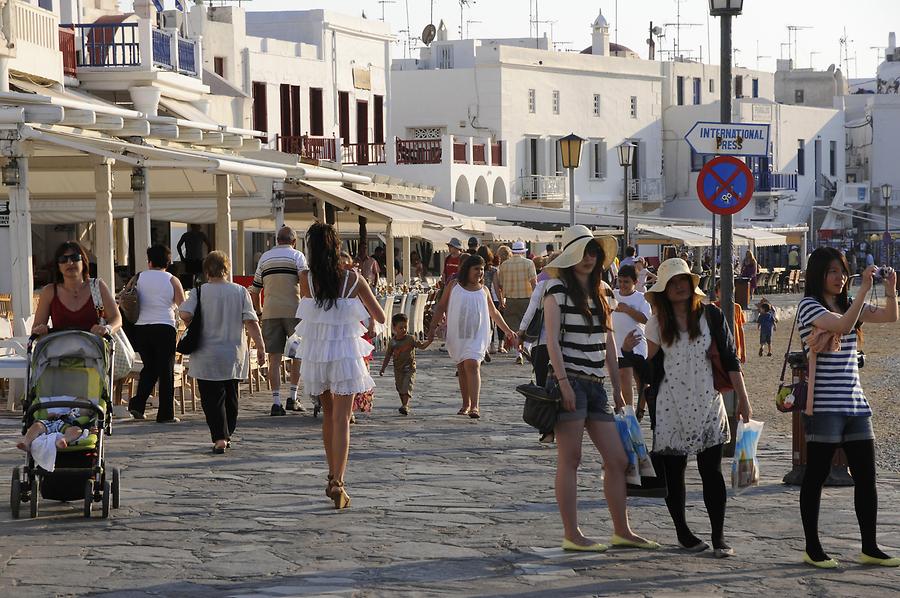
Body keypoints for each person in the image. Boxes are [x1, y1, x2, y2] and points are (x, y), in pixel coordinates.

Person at [541, 225, 657, 553]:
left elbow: (608, 340)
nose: (589, 257)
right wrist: (562, 383)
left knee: (618, 459)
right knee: (571, 458)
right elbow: (553, 341)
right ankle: (572, 533)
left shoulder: (604, 291)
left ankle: (622, 530)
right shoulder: (556, 290)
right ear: (570, 256)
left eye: (593, 251)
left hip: (597, 386)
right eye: (583, 252)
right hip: (570, 381)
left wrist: (618, 387)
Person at [628, 258, 752, 557]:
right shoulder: (658, 322)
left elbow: (729, 357)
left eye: (683, 279)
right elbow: (650, 370)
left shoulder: (711, 315)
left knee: (712, 470)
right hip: (671, 403)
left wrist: (743, 399)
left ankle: (719, 536)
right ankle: (683, 532)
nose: (679, 286)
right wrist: (630, 353)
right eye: (671, 282)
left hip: (707, 400)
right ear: (663, 291)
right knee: (675, 472)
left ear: (692, 284)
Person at [797, 248, 898, 568]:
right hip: (824, 405)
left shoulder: (847, 305)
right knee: (816, 476)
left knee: (866, 477)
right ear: (818, 275)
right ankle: (812, 547)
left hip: (855, 403)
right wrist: (864, 290)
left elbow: (889, 316)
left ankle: (869, 546)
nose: (840, 278)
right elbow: (841, 326)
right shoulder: (808, 307)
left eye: (842, 272)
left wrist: (891, 291)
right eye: (832, 272)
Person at [295, 223, 386, 509]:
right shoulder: (353, 279)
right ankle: (338, 480)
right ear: (337, 248)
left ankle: (330, 474)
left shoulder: (306, 279)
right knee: (342, 419)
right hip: (345, 353)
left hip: (318, 353)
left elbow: (312, 311)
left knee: (328, 416)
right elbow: (381, 316)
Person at [179, 252, 266, 455]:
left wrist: (193, 322)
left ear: (207, 270)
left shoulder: (199, 292)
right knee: (231, 396)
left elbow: (184, 312)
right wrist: (260, 347)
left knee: (211, 398)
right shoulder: (240, 291)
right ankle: (227, 433)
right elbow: (251, 321)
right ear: (226, 269)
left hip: (206, 353)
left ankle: (219, 436)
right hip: (232, 353)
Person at [426, 254, 516, 418]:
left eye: (482, 269)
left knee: (473, 365)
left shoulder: (484, 290)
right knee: (462, 367)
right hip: (458, 333)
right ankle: (465, 403)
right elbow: (441, 306)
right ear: (467, 270)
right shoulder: (454, 285)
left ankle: (475, 406)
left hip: (477, 334)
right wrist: (432, 328)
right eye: (476, 269)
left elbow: (494, 312)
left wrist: (508, 330)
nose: (480, 273)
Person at [249, 226, 308, 416]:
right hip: (294, 310)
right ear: (293, 241)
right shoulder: (298, 256)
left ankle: (276, 402)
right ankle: (292, 397)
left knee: (273, 358)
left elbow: (255, 290)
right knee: (297, 355)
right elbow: (304, 282)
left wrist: (259, 312)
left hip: (270, 311)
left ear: (277, 240)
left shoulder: (264, 258)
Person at [128, 245, 185, 423]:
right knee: (165, 370)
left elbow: (127, 296)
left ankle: (137, 404)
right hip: (164, 327)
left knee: (150, 367)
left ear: (149, 261)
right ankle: (166, 413)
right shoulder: (172, 280)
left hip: (142, 328)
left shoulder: (138, 277)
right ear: (168, 262)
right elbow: (182, 306)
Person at [32, 241, 121, 339]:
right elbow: (36, 328)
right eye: (63, 259)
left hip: (94, 350)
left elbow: (116, 319)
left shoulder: (98, 286)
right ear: (58, 266)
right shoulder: (49, 291)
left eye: (75, 258)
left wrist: (107, 328)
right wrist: (40, 330)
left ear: (83, 261)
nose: (70, 263)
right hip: (60, 352)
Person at [612, 265, 652, 412]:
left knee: (641, 381)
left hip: (637, 344)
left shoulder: (641, 298)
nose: (622, 285)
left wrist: (627, 309)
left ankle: (640, 411)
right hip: (618, 345)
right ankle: (629, 411)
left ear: (635, 282)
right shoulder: (612, 295)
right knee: (624, 376)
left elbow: (646, 319)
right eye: (620, 281)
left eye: (626, 282)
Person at [379, 313, 428, 415]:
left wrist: (430, 341)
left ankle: (405, 405)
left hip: (409, 367)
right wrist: (383, 368)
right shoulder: (392, 342)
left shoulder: (411, 339)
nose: (404, 330)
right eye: (401, 328)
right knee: (400, 387)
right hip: (398, 369)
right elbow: (388, 356)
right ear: (394, 328)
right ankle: (404, 404)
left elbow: (422, 346)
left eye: (405, 327)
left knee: (407, 385)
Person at [498, 240, 537, 365]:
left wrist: (502, 298)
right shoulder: (529, 263)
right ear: (523, 251)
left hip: (510, 299)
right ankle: (526, 346)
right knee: (528, 326)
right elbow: (534, 283)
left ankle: (518, 353)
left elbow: (501, 283)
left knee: (514, 328)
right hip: (526, 298)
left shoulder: (504, 265)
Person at [714, 280, 747, 364]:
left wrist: (743, 351)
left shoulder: (737, 308)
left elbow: (740, 329)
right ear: (716, 293)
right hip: (719, 351)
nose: (725, 294)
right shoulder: (713, 308)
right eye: (722, 291)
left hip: (735, 349)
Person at [477, 245, 502, 358]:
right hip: (488, 296)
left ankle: (482, 347)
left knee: (479, 323)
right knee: (489, 324)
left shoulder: (474, 268)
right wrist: (501, 300)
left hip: (476, 295)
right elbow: (496, 287)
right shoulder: (493, 270)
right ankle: (490, 345)